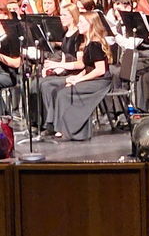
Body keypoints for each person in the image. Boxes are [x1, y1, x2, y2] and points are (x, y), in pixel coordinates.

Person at [44, 10, 113, 141]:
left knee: (64, 93)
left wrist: (79, 80)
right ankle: (59, 127)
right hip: (93, 78)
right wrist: (76, 77)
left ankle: (69, 130)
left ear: (91, 24)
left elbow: (100, 70)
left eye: (81, 22)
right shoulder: (87, 43)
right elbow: (87, 67)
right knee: (59, 90)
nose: (78, 24)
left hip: (100, 81)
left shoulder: (95, 44)